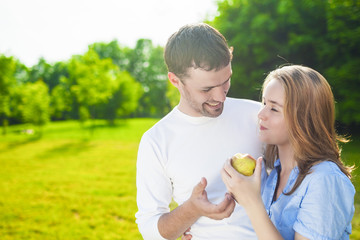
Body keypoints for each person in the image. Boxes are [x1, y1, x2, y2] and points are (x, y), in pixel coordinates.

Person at [135, 23, 264, 240]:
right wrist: (191, 210)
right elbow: (150, 228)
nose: (221, 97)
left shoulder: (259, 116)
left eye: (226, 81)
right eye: (206, 89)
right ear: (175, 80)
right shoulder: (156, 141)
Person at [221, 65, 355, 240]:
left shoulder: (325, 180)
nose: (261, 114)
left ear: (304, 120)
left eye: (274, 109)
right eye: (264, 103)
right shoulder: (272, 174)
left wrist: (251, 202)